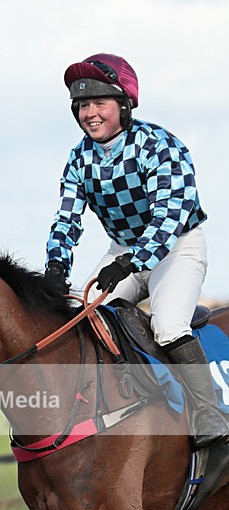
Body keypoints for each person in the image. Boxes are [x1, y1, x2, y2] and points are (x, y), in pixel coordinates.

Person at [45, 52, 228, 449]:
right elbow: (67, 218)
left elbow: (169, 216)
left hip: (177, 247)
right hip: (124, 250)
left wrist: (133, 262)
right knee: (83, 319)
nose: (89, 114)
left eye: (99, 104)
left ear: (124, 105)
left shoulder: (159, 145)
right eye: (82, 106)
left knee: (168, 326)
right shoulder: (79, 158)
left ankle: (208, 413)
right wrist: (56, 264)